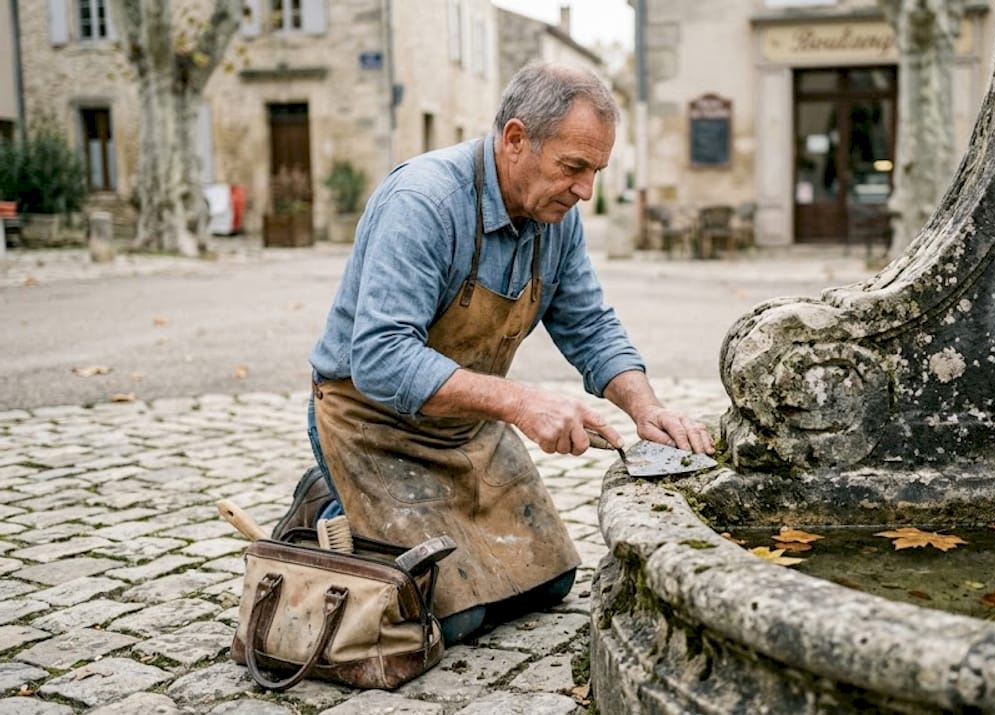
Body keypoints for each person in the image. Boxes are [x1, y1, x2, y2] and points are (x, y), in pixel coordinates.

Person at [272, 61, 714, 645]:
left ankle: (362, 509)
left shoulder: (557, 216)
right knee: (453, 617)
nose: (586, 190)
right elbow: (380, 357)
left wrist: (645, 408)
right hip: (370, 422)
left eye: (596, 171)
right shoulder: (423, 202)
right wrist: (521, 403)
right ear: (515, 139)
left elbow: (589, 324)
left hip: (465, 426)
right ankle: (330, 508)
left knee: (548, 585)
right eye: (573, 167)